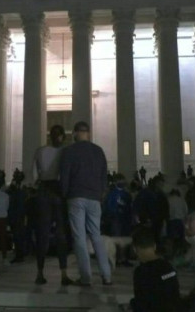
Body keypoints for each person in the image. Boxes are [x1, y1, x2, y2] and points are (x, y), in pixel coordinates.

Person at [60, 121, 112, 286]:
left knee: (80, 238)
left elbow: (65, 176)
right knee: (96, 236)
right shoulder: (98, 151)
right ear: (88, 133)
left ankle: (86, 277)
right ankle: (107, 275)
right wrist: (101, 194)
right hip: (94, 197)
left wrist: (64, 195)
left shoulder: (69, 151)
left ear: (75, 133)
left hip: (76, 196)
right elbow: (104, 176)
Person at [32, 124, 71, 285]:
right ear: (62, 136)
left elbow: (33, 175)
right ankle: (63, 274)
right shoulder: (65, 152)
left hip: (43, 190)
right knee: (61, 234)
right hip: (58, 191)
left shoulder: (40, 151)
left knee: (43, 233)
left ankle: (40, 273)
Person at [128, 226, 182, 312]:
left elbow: (142, 303)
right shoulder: (168, 267)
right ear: (154, 246)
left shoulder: (141, 272)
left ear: (135, 249)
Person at [7, 168, 28, 264]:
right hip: (19, 215)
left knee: (17, 235)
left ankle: (20, 254)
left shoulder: (17, 190)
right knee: (19, 235)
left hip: (16, 215)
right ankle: (21, 253)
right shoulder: (22, 190)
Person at [104, 173, 133, 237]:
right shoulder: (112, 194)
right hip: (117, 218)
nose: (121, 182)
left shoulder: (126, 194)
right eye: (120, 180)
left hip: (123, 218)